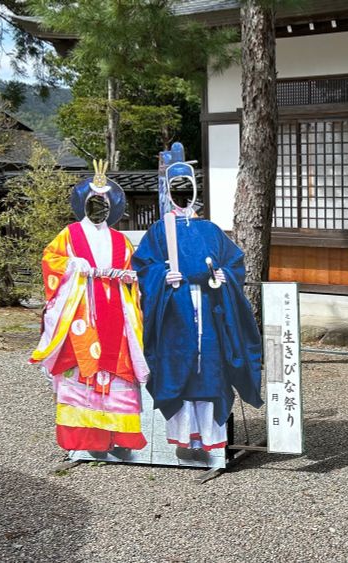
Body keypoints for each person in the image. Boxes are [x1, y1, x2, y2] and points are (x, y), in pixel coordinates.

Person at [132, 160, 263, 451]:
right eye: (176, 190)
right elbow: (143, 266)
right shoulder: (158, 230)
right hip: (175, 308)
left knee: (210, 367)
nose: (182, 196)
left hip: (208, 304)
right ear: (168, 192)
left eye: (186, 189)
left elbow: (234, 263)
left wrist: (223, 274)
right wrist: (162, 275)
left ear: (194, 192)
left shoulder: (210, 229)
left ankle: (211, 439)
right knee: (179, 366)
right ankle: (183, 438)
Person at [31, 161, 149, 451]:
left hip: (115, 309)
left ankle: (118, 435)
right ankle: (83, 437)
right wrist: (73, 265)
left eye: (105, 205)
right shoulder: (69, 234)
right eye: (95, 203)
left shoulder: (121, 240)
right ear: (84, 205)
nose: (100, 210)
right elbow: (51, 262)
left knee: (117, 365)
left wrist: (131, 278)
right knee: (82, 362)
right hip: (81, 308)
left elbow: (134, 274)